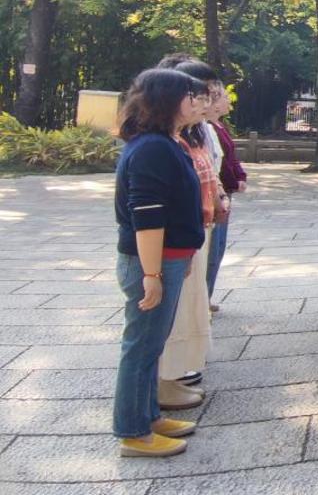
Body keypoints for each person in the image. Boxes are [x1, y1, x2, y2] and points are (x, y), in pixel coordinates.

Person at [111, 68, 207, 457]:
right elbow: (147, 215)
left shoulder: (166, 142)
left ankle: (148, 415)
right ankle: (134, 432)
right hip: (151, 261)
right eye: (190, 95)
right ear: (168, 99)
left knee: (151, 346)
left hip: (168, 258)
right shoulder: (152, 147)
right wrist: (152, 273)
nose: (196, 102)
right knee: (141, 347)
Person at [156, 61, 227, 408]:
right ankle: (162, 382)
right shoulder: (160, 144)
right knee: (172, 311)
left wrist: (219, 194)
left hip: (195, 231)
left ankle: (175, 373)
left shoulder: (192, 134)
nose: (205, 102)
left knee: (187, 305)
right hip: (174, 242)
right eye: (199, 96)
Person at [206, 84, 245, 312]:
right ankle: (203, 296)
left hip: (223, 191)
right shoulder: (208, 129)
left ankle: (206, 295)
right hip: (216, 192)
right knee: (213, 248)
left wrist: (240, 176)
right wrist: (233, 180)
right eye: (224, 97)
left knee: (218, 246)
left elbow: (231, 158)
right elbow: (219, 165)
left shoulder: (220, 127)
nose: (228, 101)